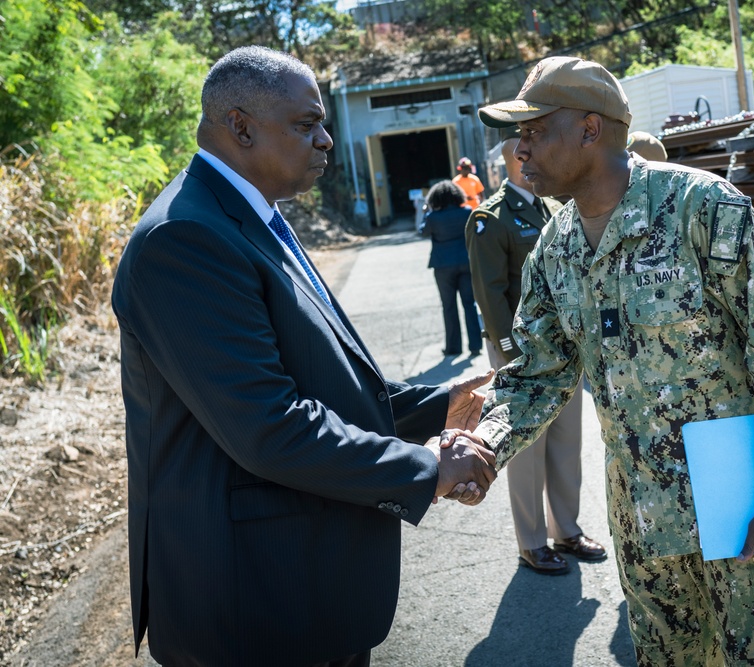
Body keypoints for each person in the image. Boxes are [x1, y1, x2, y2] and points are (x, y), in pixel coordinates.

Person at [111, 46, 497, 667]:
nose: (324, 140)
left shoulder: (250, 217)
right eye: (305, 124)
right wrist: (424, 467)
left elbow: (326, 380)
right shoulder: (183, 238)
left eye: (323, 125)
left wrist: (442, 403)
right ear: (239, 126)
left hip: (302, 588)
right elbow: (269, 426)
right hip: (253, 605)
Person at [455, 56, 754, 666]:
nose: (518, 146)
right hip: (644, 522)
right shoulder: (555, 248)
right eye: (516, 134)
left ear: (589, 129)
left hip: (746, 510)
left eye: (533, 130)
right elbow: (537, 373)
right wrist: (484, 446)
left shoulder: (700, 206)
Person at [465, 137, 606, 575]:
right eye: (527, 153)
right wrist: (511, 353)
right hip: (521, 352)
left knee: (565, 443)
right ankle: (532, 541)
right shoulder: (491, 218)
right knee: (527, 447)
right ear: (515, 162)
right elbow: (489, 293)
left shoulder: (551, 208)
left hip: (562, 348)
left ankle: (567, 528)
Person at [419, 180, 482, 357]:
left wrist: (426, 213)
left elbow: (422, 232)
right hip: (465, 262)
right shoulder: (467, 212)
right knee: (470, 304)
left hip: (443, 265)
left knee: (449, 306)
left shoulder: (432, 218)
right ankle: (475, 346)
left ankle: (453, 347)